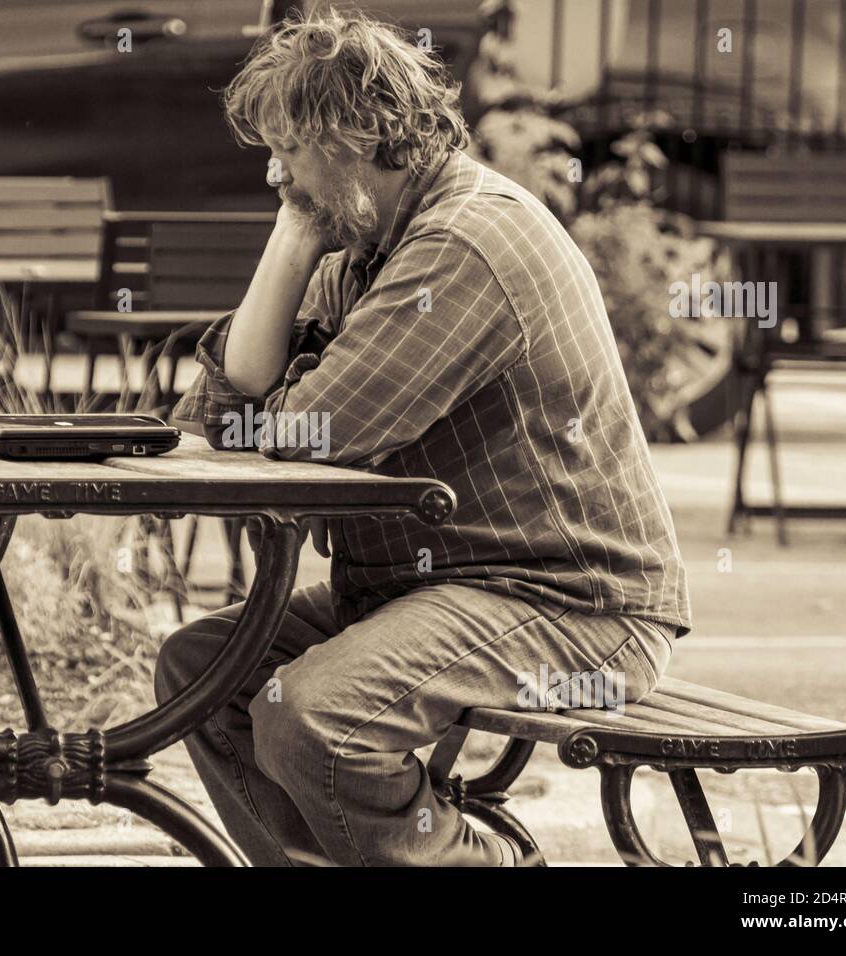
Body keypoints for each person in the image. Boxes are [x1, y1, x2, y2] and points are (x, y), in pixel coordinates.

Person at [154, 7, 691, 867]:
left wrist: (284, 387)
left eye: (287, 152)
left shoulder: (465, 243)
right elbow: (221, 418)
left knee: (312, 714)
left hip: (566, 604)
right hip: (423, 591)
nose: (273, 176)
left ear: (351, 136)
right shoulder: (368, 246)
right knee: (202, 668)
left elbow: (306, 438)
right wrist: (295, 237)